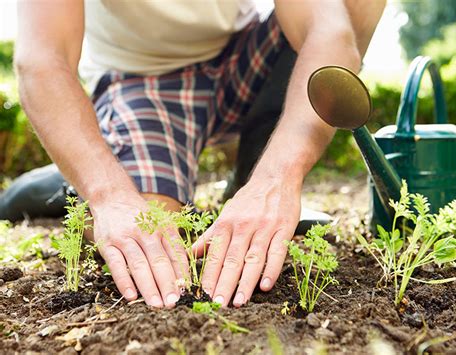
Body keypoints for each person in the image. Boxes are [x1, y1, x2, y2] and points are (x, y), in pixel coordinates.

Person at [13, 0, 385, 308]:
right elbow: (43, 60)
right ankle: (83, 171)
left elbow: (329, 32)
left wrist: (278, 177)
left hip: (244, 57)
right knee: (153, 236)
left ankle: (251, 179)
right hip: (146, 80)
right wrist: (108, 195)